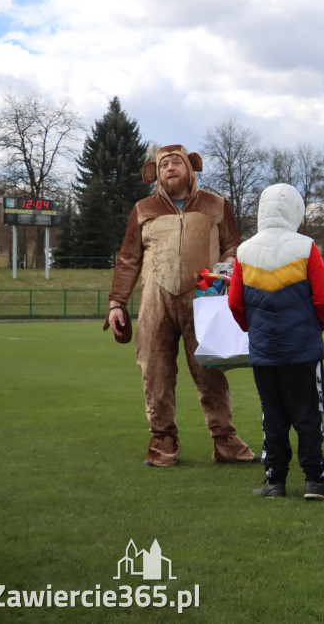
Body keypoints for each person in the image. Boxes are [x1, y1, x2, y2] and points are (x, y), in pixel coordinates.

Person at [104, 144, 257, 467]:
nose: (169, 169)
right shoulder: (143, 209)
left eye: (176, 163)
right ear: (155, 173)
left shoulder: (216, 204)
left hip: (203, 302)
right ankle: (162, 441)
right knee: (155, 373)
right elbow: (128, 258)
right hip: (155, 304)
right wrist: (117, 302)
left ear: (190, 168)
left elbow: (233, 246)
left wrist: (228, 266)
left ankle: (225, 441)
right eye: (163, 165)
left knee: (211, 372)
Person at [228, 184, 324, 500]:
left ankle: (275, 480)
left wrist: (256, 331)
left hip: (264, 350)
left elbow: (235, 302)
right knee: (309, 415)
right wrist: (315, 328)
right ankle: (315, 479)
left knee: (272, 415)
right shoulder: (306, 247)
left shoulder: (244, 251)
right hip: (302, 348)